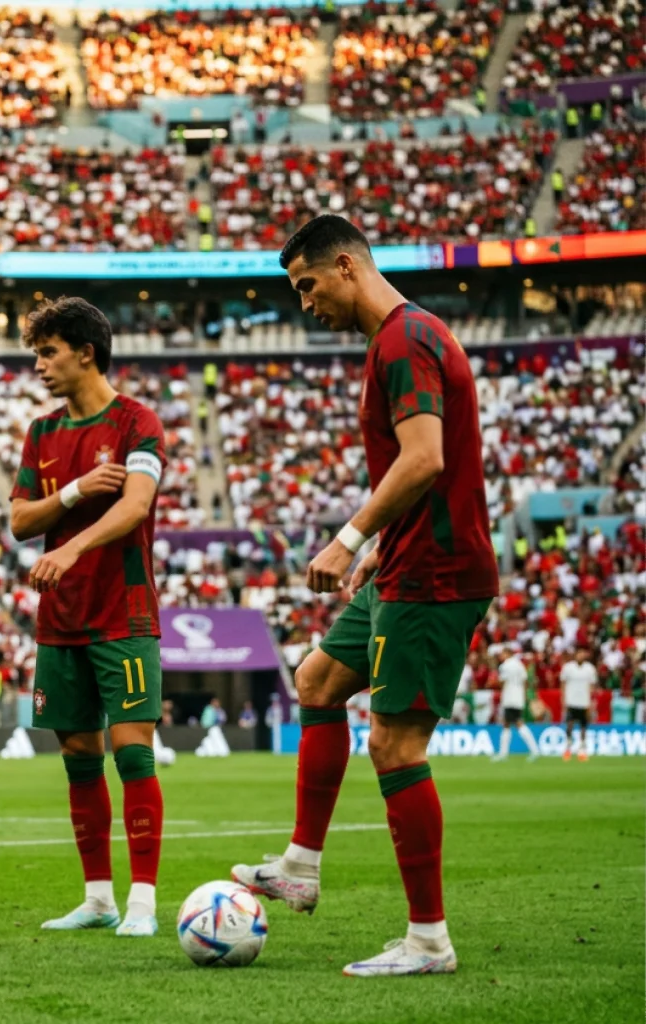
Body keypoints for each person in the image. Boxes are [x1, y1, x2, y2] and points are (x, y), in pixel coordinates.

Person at [230, 215, 499, 978]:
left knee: (395, 746)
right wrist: (381, 546)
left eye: (307, 285)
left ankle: (428, 942)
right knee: (316, 681)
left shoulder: (405, 340)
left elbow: (424, 458)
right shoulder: (399, 339)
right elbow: (430, 470)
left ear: (346, 266)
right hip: (403, 562)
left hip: (435, 572)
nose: (305, 302)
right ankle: (300, 866)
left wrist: (349, 538)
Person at [8, 296, 167, 939]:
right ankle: (99, 898)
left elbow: (135, 505)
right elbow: (20, 520)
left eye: (48, 353)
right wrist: (73, 492)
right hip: (62, 619)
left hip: (123, 612)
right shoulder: (41, 432)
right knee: (78, 754)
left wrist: (70, 547)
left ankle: (143, 903)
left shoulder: (136, 421)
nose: (39, 366)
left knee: (132, 752)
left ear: (85, 353)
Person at [493, 645, 539, 762]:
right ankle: (504, 753)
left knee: (517, 723)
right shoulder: (520, 665)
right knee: (508, 723)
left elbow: (502, 683)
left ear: (508, 653)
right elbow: (525, 681)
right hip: (518, 698)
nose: (501, 656)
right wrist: (524, 696)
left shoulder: (505, 666)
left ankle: (534, 750)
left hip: (509, 698)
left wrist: (495, 681)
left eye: (502, 653)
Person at [560, 646, 598, 762]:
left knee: (583, 727)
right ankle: (568, 748)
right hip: (571, 701)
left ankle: (582, 751)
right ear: (575, 655)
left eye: (583, 653)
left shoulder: (590, 669)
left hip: (584, 702)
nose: (581, 656)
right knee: (569, 725)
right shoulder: (568, 668)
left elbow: (592, 686)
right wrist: (563, 698)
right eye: (579, 653)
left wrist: (591, 702)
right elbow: (563, 683)